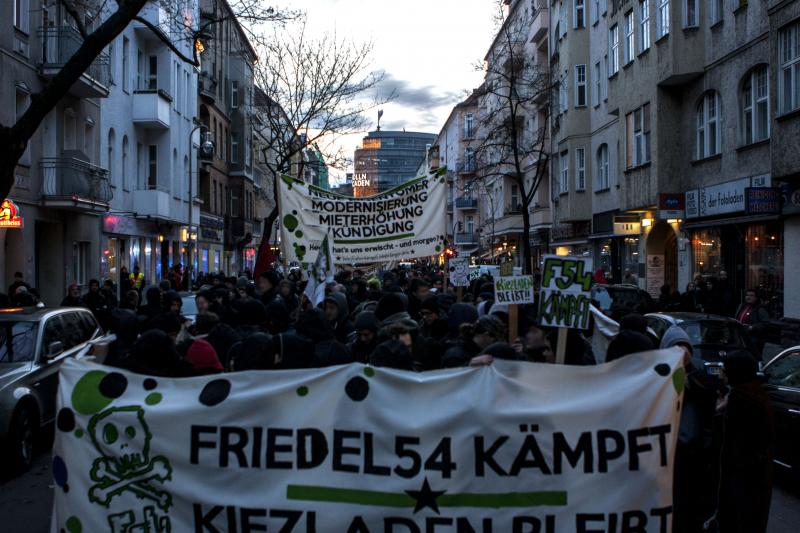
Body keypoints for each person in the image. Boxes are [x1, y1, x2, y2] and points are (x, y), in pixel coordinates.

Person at [712, 352, 774, 533]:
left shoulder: (741, 399)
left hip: (743, 479)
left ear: (734, 372)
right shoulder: (754, 394)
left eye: (724, 371)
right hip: (752, 477)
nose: (721, 375)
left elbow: (730, 441)